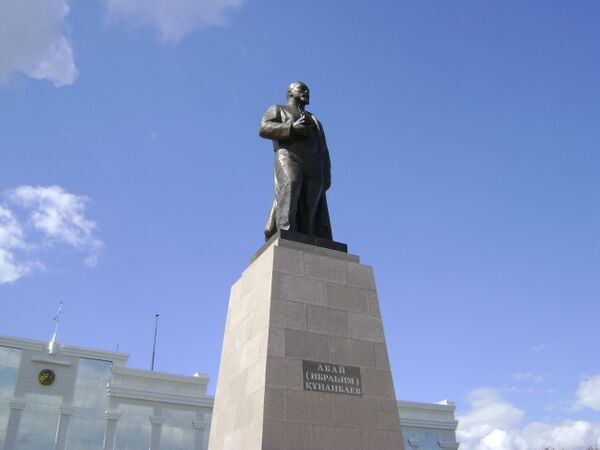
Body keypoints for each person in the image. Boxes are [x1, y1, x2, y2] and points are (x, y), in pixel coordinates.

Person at [259, 82, 333, 241]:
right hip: (288, 156)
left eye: (308, 90)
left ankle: (308, 237)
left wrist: (326, 172)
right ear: (290, 92)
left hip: (313, 163)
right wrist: (291, 128)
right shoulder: (278, 109)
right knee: (290, 184)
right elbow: (264, 128)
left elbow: (323, 149)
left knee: (311, 204)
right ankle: (286, 232)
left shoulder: (314, 120)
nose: (306, 92)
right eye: (301, 89)